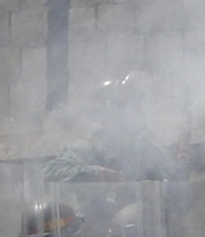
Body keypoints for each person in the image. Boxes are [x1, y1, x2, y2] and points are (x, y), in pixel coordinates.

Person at [43, 72, 182, 185]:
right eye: (125, 109)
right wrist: (96, 173)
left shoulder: (144, 147)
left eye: (135, 108)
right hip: (99, 218)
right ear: (106, 115)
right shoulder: (87, 148)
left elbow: (173, 173)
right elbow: (51, 172)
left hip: (144, 217)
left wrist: (181, 162)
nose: (134, 115)